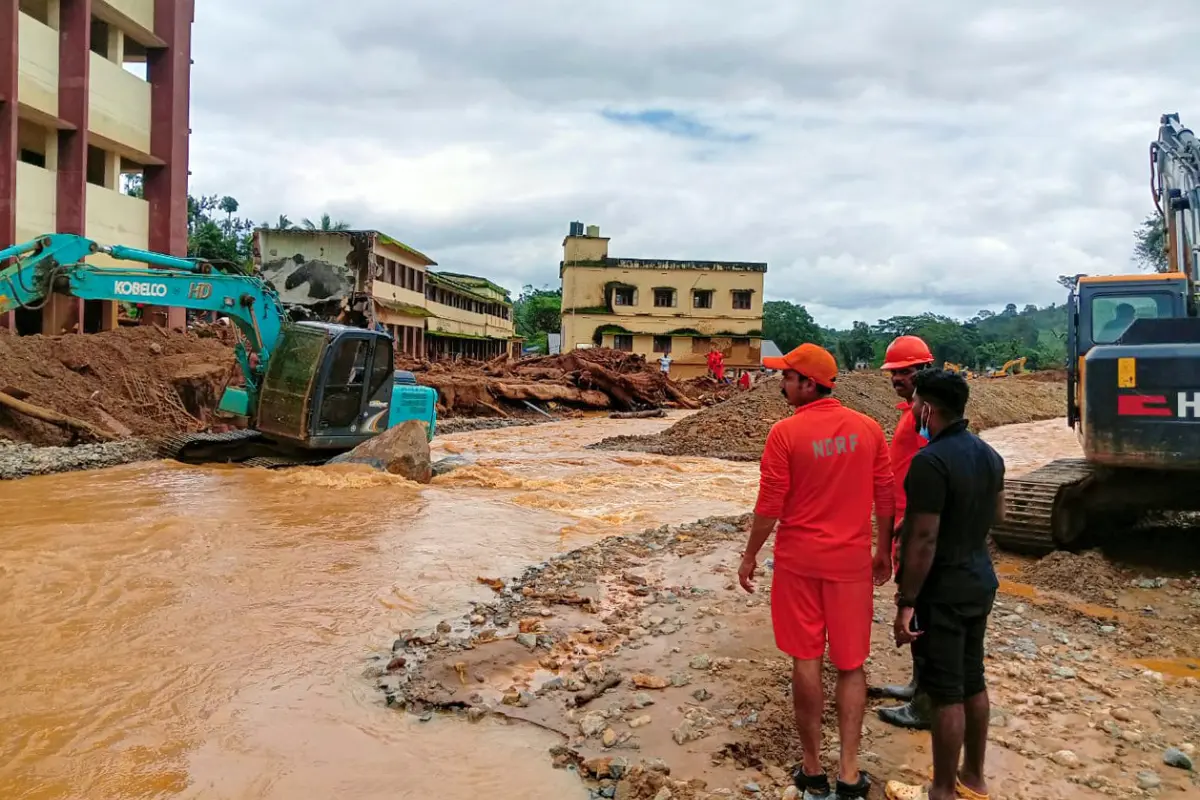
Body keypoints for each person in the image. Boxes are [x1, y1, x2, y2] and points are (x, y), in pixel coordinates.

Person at [739, 343, 894, 800]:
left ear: (809, 383)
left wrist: (749, 555)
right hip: (850, 565)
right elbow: (885, 494)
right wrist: (883, 550)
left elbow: (769, 507)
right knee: (851, 665)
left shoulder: (785, 434)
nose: (782, 384)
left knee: (806, 660)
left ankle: (812, 770)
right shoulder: (868, 429)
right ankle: (849, 773)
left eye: (787, 377)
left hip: (799, 563)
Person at [884, 370, 1005, 800]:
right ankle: (973, 780)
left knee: (946, 691)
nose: (912, 410)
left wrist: (906, 600)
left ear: (929, 408)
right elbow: (998, 517)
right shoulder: (989, 455)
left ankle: (940, 791)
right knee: (973, 680)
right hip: (979, 579)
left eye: (915, 402)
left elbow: (926, 540)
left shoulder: (929, 461)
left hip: (944, 589)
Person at [875, 335, 935, 731]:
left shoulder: (927, 416)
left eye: (905, 372)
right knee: (914, 605)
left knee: (923, 608)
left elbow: (932, 468)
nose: (897, 378)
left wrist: (908, 521)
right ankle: (918, 685)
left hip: (915, 525)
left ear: (924, 371)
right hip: (904, 522)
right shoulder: (911, 411)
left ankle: (927, 704)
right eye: (894, 372)